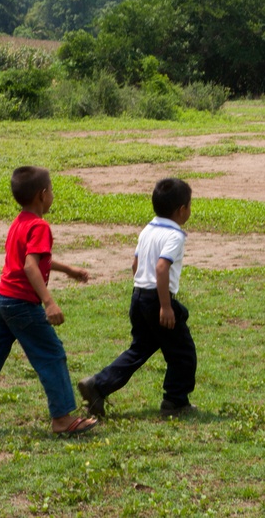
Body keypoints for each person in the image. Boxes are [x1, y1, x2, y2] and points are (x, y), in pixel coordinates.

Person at [0, 166, 96, 438]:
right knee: (52, 354)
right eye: (51, 190)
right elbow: (31, 266)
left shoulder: (20, 222)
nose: (53, 195)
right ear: (42, 195)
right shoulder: (40, 226)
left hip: (2, 298)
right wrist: (49, 302)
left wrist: (69, 270)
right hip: (21, 303)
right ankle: (62, 420)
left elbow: (33, 259)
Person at [77, 178, 197, 419]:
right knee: (183, 352)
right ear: (182, 210)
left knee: (140, 349)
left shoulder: (148, 229)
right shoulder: (175, 235)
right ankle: (175, 401)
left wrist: (143, 291)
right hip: (157, 299)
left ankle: (98, 385)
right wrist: (164, 306)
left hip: (139, 295)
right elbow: (162, 268)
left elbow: (135, 263)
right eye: (190, 205)